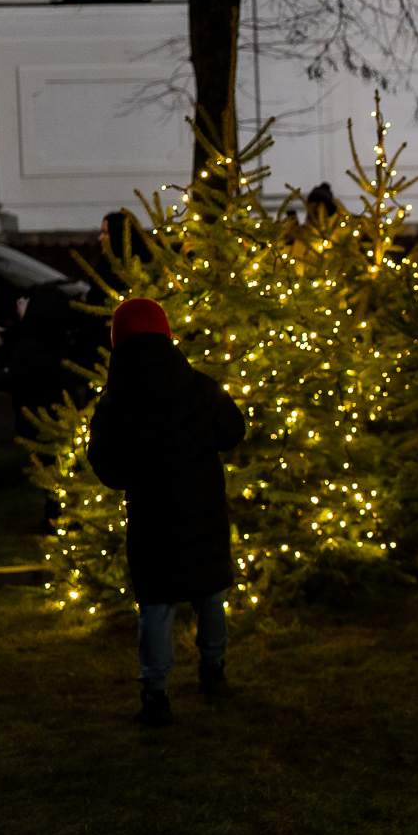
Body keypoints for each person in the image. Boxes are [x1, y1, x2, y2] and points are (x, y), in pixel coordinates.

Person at [86, 298, 246, 728]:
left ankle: (155, 694)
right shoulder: (197, 385)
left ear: (119, 341)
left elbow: (107, 465)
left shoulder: (115, 401)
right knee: (210, 593)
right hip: (203, 511)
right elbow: (233, 431)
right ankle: (213, 671)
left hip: (152, 519)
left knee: (156, 604)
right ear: (166, 334)